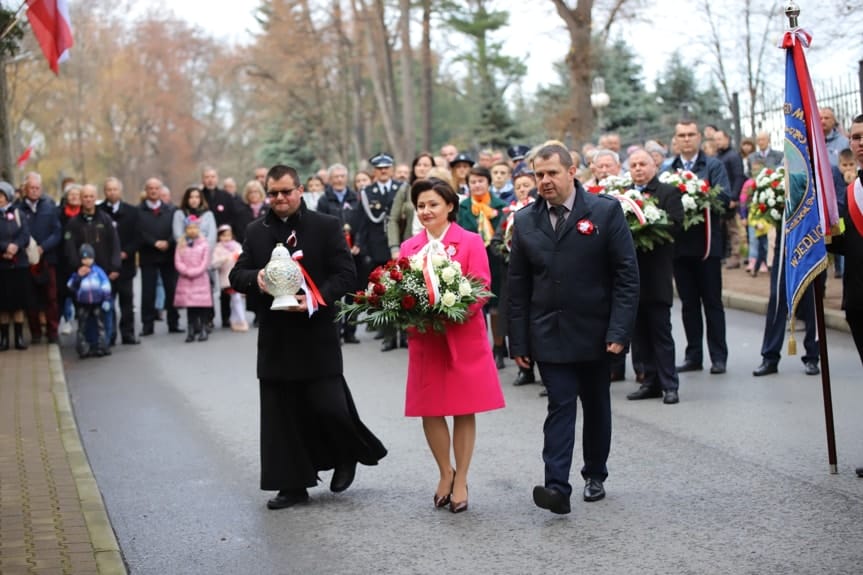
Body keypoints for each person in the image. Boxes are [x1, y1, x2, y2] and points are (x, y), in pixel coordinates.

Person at [229, 164, 387, 510]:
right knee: (281, 413)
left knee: (329, 405)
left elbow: (345, 274)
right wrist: (257, 278)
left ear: (300, 190)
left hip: (316, 333)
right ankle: (292, 485)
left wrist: (314, 298)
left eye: (286, 191)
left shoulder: (326, 225)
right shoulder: (256, 230)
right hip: (276, 336)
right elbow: (237, 274)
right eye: (273, 193)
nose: (280, 198)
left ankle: (346, 454)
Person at [508, 143, 639, 515]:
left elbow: (626, 276)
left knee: (596, 405)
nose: (545, 181)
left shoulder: (605, 211)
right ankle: (556, 487)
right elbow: (517, 287)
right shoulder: (525, 220)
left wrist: (619, 332)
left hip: (596, 332)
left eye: (552, 172)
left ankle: (595, 473)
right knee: (560, 405)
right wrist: (518, 342)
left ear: (571, 171)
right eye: (539, 174)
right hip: (549, 332)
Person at [399, 178, 505, 513]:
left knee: (463, 407)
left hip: (461, 336)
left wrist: (452, 310)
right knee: (429, 407)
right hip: (426, 337)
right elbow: (400, 290)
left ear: (449, 206)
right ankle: (446, 472)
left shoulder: (470, 241)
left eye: (433, 204)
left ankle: (462, 480)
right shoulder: (409, 248)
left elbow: (482, 287)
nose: (426, 211)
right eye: (421, 206)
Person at [667, 120, 731, 374]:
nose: (686, 139)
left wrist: (699, 197)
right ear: (676, 139)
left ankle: (718, 357)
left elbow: (724, 197)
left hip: (707, 245)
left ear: (699, 137)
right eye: (681, 135)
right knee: (689, 303)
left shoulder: (713, 166)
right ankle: (693, 355)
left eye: (691, 134)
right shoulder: (669, 169)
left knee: (712, 302)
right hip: (680, 247)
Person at [623, 149, 685, 404]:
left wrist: (649, 225)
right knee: (639, 333)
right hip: (630, 275)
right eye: (633, 165)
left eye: (643, 164)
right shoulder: (624, 196)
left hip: (656, 272)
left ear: (654, 167)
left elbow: (676, 224)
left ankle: (669, 384)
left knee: (660, 331)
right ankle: (649, 381)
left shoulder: (668, 192)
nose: (638, 168)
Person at [457, 166, 508, 368]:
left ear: (488, 183)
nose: (477, 185)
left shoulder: (500, 206)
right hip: (470, 262)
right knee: (475, 305)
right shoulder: (463, 207)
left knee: (496, 307)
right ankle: (481, 349)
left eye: (481, 181)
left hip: (495, 261)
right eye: (473, 182)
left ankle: (499, 348)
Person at [63, 184, 122, 348]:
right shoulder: (73, 223)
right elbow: (69, 248)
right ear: (81, 199)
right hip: (83, 275)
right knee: (86, 312)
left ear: (96, 198)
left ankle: (105, 341)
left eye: (91, 196)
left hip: (103, 273)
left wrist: (115, 266)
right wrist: (77, 268)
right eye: (85, 197)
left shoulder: (105, 220)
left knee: (106, 308)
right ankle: (89, 342)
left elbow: (115, 244)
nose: (88, 200)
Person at [355, 153, 400, 351]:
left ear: (392, 169)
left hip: (398, 245)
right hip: (377, 248)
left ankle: (403, 332)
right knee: (383, 291)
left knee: (402, 290)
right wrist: (363, 246)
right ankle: (388, 332)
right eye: (380, 168)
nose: (383, 171)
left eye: (386, 168)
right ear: (374, 171)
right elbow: (363, 222)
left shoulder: (401, 188)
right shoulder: (367, 192)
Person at [317, 163, 362, 344]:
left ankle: (350, 331)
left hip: (354, 253)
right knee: (335, 294)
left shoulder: (356, 198)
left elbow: (362, 224)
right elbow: (320, 226)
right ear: (330, 179)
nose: (339, 180)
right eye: (336, 176)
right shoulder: (324, 200)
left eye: (342, 176)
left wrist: (358, 243)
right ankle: (335, 332)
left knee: (353, 295)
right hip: (333, 253)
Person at [18, 172, 62, 344]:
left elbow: (57, 232)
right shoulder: (18, 209)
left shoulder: (49, 207)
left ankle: (52, 332)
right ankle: (35, 332)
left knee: (51, 297)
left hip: (47, 258)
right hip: (27, 261)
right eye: (31, 188)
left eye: (37, 188)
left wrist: (43, 247)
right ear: (25, 189)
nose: (34, 191)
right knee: (31, 298)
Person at [100, 177, 140, 345]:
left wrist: (126, 252)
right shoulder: (99, 212)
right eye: (109, 190)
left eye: (115, 189)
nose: (112, 193)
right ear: (105, 192)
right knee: (107, 301)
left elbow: (138, 236)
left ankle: (128, 333)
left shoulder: (132, 212)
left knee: (126, 301)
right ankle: (109, 334)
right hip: (106, 265)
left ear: (120, 191)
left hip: (125, 264)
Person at [138, 177, 181, 336]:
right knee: (148, 292)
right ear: (146, 190)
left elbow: (176, 229)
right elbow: (139, 231)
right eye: (150, 188)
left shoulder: (171, 210)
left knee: (171, 290)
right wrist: (154, 242)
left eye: (156, 188)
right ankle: (147, 325)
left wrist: (168, 242)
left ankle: (173, 322)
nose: (153, 191)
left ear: (161, 190)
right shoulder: (138, 211)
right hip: (148, 255)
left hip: (168, 255)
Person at [173, 186, 218, 329]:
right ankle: (193, 324)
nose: (194, 200)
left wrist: (203, 251)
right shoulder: (180, 214)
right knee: (190, 293)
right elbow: (178, 235)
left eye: (197, 197)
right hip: (187, 257)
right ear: (187, 199)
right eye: (191, 197)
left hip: (204, 258)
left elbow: (212, 236)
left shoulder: (208, 214)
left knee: (206, 290)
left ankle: (207, 320)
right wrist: (189, 249)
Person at [67, 243, 113, 358]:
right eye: (84, 259)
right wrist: (78, 276)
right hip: (83, 303)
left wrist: (106, 298)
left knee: (100, 324)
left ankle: (102, 346)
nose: (86, 261)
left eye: (89, 258)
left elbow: (105, 283)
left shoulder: (98, 271)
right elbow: (71, 285)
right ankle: (83, 347)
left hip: (97, 302)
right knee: (82, 325)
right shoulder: (79, 272)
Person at [0, 180, 31, 351]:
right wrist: (4, 247)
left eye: (2, 195)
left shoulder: (18, 213)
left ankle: (19, 337)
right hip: (2, 266)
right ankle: (4, 338)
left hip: (19, 264)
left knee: (19, 302)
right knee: (3, 304)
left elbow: (25, 234)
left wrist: (16, 246)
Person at [174, 215, 212, 343]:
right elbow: (178, 261)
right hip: (186, 280)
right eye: (189, 228)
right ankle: (191, 330)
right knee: (190, 307)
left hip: (200, 279)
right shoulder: (181, 244)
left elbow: (205, 261)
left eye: (194, 228)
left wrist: (195, 271)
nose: (192, 230)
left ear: (198, 229)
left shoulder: (204, 244)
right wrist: (186, 271)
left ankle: (203, 328)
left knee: (202, 306)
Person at [388, 153, 434, 258]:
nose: (421, 168)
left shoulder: (439, 190)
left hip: (435, 242)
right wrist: (394, 248)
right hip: (411, 243)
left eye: (426, 165)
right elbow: (393, 219)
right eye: (418, 165)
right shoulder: (405, 189)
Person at [211, 224, 247, 332]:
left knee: (236, 299)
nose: (226, 238)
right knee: (234, 299)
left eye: (228, 235)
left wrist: (238, 258)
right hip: (225, 279)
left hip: (238, 276)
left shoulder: (237, 246)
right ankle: (238, 320)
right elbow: (213, 264)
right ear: (219, 236)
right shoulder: (217, 248)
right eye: (223, 235)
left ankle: (237, 320)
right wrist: (225, 259)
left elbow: (244, 257)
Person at [58, 183, 82, 335]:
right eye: (71, 194)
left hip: (82, 260)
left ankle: (82, 323)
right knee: (64, 292)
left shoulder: (86, 214)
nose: (74, 197)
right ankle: (66, 319)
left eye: (77, 194)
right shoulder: (59, 214)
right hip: (63, 260)